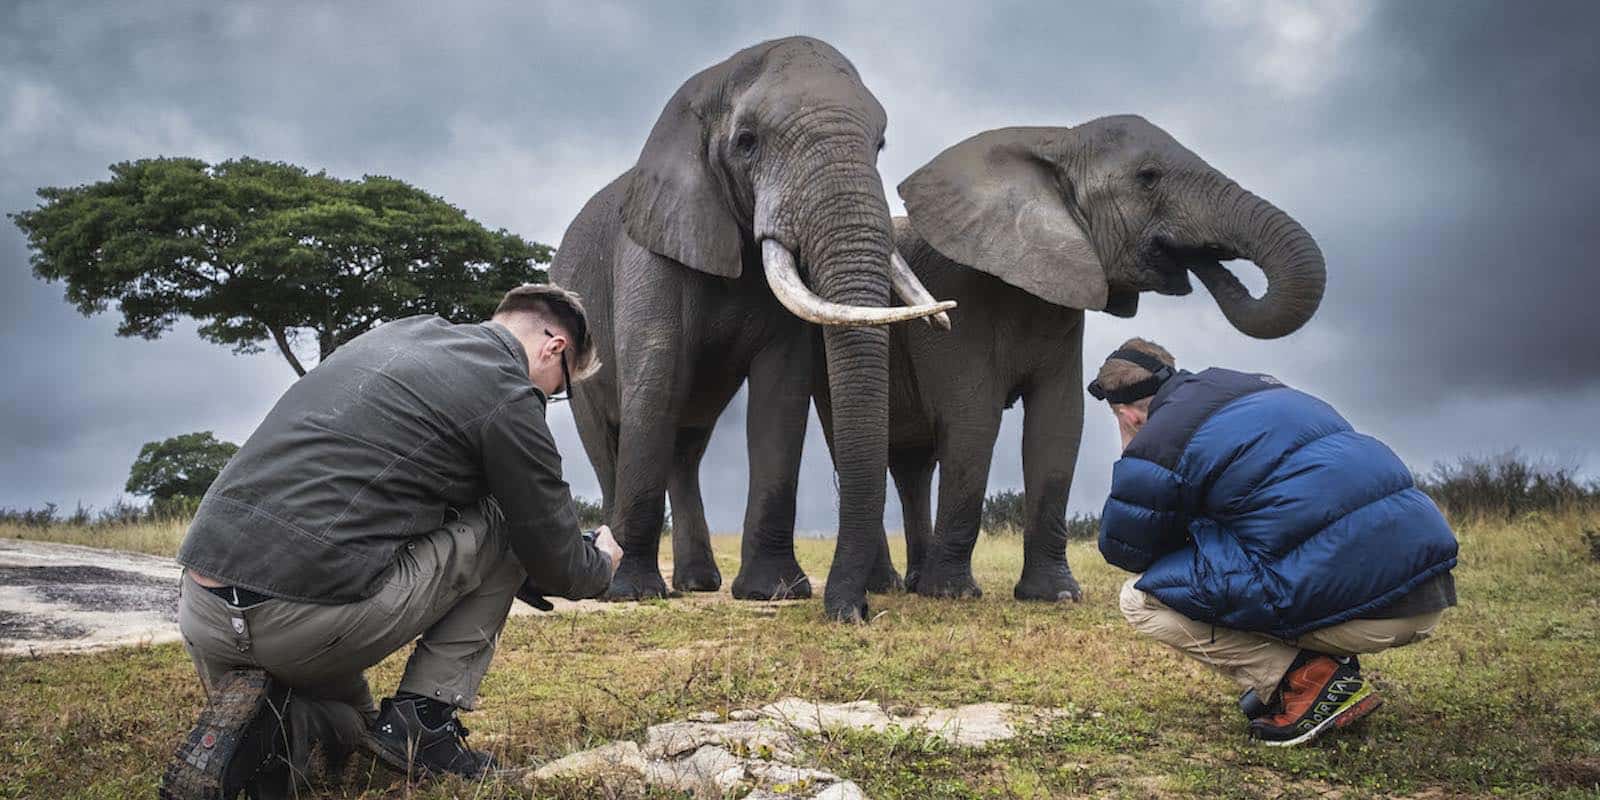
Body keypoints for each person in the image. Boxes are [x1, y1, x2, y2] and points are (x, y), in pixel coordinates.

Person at [160, 284, 623, 799]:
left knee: (355, 731)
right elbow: (553, 554)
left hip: (203, 614)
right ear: (554, 346)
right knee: (503, 520)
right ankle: (425, 720)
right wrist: (600, 560)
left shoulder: (395, 334)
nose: (552, 396)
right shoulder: (509, 392)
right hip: (301, 624)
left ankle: (272, 730)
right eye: (562, 387)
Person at [1091, 338, 1458, 747]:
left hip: (1368, 613)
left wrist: (1133, 450)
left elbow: (1125, 548)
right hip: (1427, 590)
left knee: (1138, 598)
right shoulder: (1255, 386)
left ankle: (1308, 680)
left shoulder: (1159, 438)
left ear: (1126, 414)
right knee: (1256, 548)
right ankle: (1327, 662)